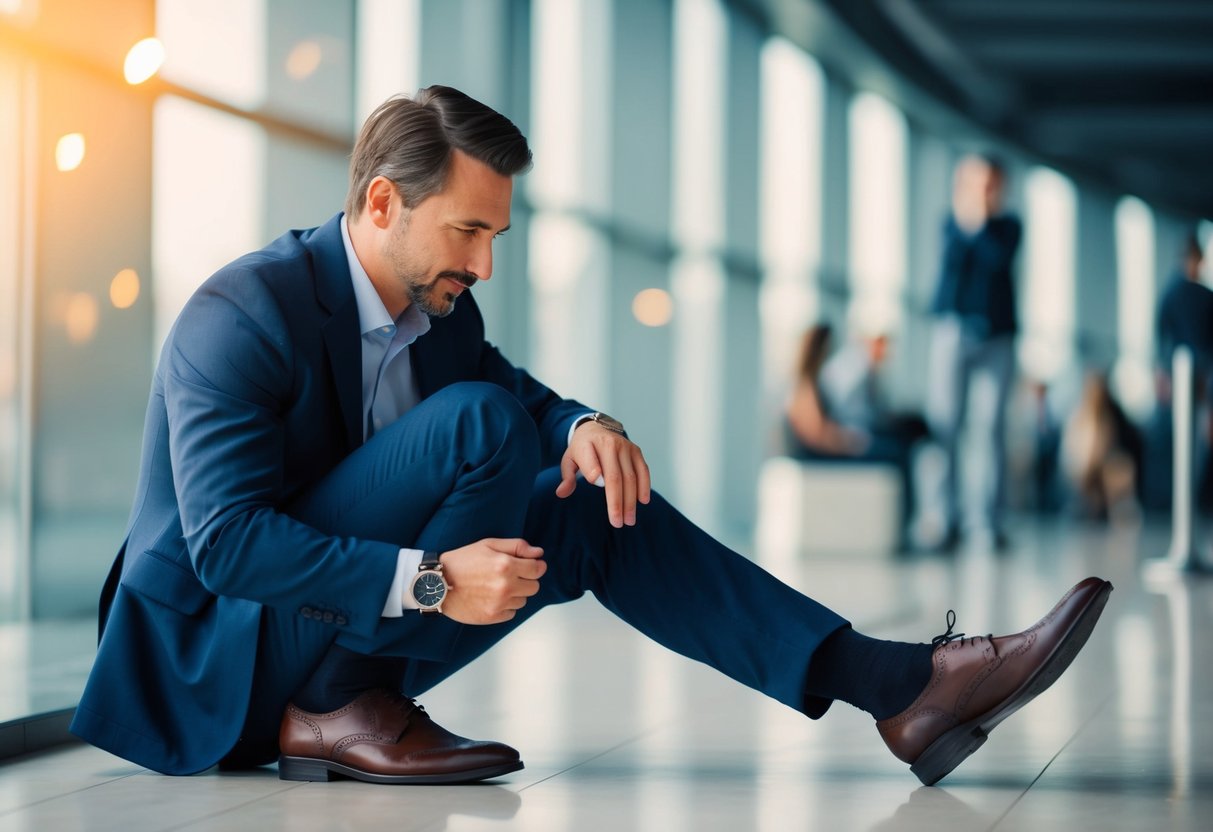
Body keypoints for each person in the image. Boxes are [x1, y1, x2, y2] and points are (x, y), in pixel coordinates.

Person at [71, 86, 1113, 789]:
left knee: (589, 501)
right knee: (474, 425)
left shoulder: (443, 311)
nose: (483, 265)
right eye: (466, 231)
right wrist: (431, 581)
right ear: (382, 201)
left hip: (333, 630)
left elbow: (518, 395)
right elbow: (226, 546)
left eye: (497, 236)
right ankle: (337, 704)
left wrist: (585, 424)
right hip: (218, 662)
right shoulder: (241, 312)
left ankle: (899, 690)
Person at [927, 153, 1022, 551]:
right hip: (953, 329)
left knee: (991, 428)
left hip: (997, 336)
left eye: (990, 184)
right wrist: (968, 223)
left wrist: (979, 222)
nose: (983, 192)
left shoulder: (1008, 227)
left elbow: (996, 260)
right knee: (944, 424)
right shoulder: (950, 223)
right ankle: (940, 518)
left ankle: (987, 522)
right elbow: (952, 267)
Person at [785, 324, 928, 547]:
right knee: (897, 453)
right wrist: (854, 442)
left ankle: (905, 524)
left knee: (898, 445)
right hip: (824, 453)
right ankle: (905, 525)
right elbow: (818, 434)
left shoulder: (813, 381)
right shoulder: (806, 385)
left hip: (832, 446)